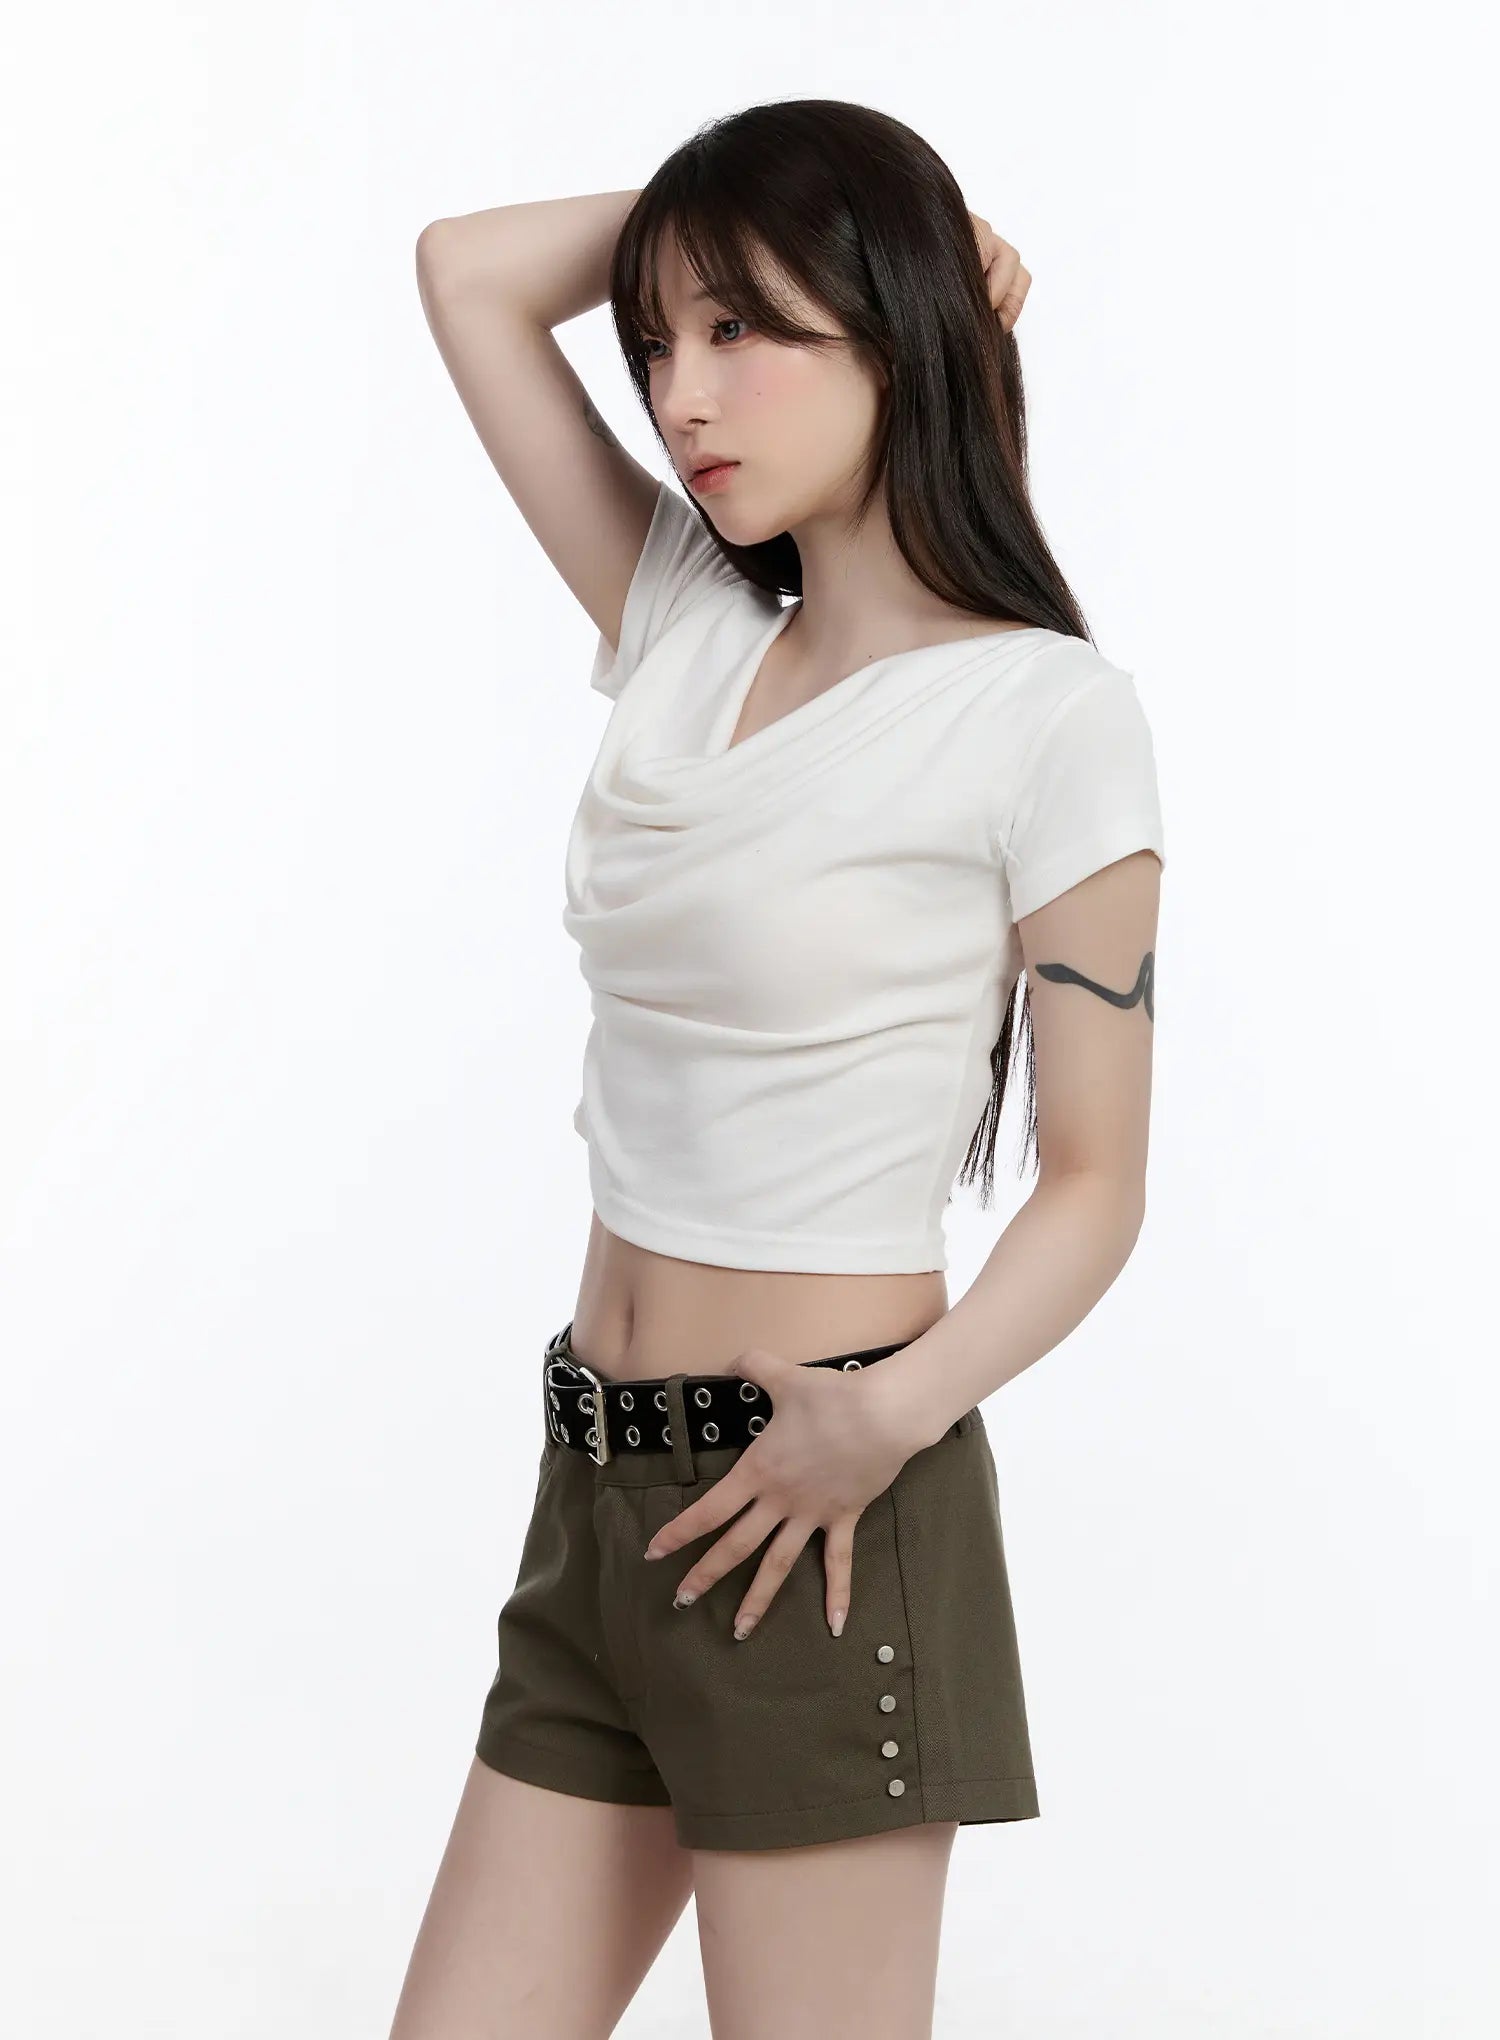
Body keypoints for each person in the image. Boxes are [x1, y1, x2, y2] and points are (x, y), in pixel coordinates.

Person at [397, 97, 1164, 2040]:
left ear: (896, 330)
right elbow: (465, 275)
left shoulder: (1045, 717)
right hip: (594, 1500)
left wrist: (886, 1417)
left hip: (813, 1511)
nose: (679, 392)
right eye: (659, 339)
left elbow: (1095, 1183)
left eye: (742, 328)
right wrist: (789, 220)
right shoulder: (682, 616)